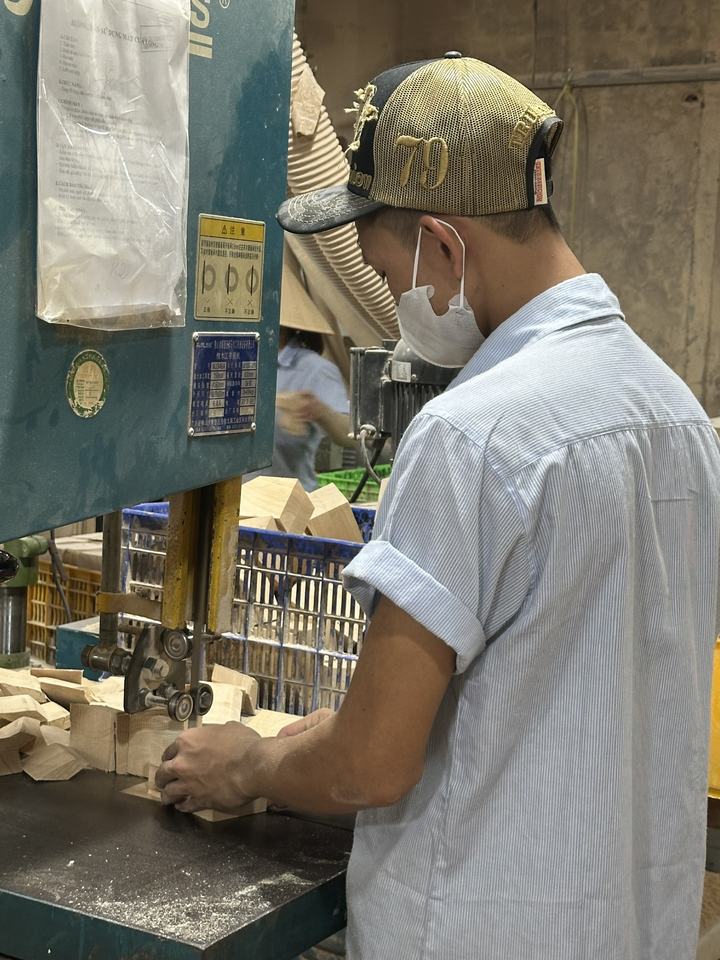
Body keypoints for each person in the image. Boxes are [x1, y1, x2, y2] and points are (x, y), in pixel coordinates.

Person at [157, 53, 720, 960]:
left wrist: (251, 763)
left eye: (389, 275)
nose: (392, 302)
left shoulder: (470, 434)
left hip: (480, 928)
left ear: (445, 249)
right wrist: (344, 729)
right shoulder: (677, 413)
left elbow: (373, 764)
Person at [256, 257, 354, 491]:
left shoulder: (315, 370)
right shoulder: (240, 362)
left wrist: (317, 409)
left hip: (289, 502)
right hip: (235, 501)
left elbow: (350, 436)